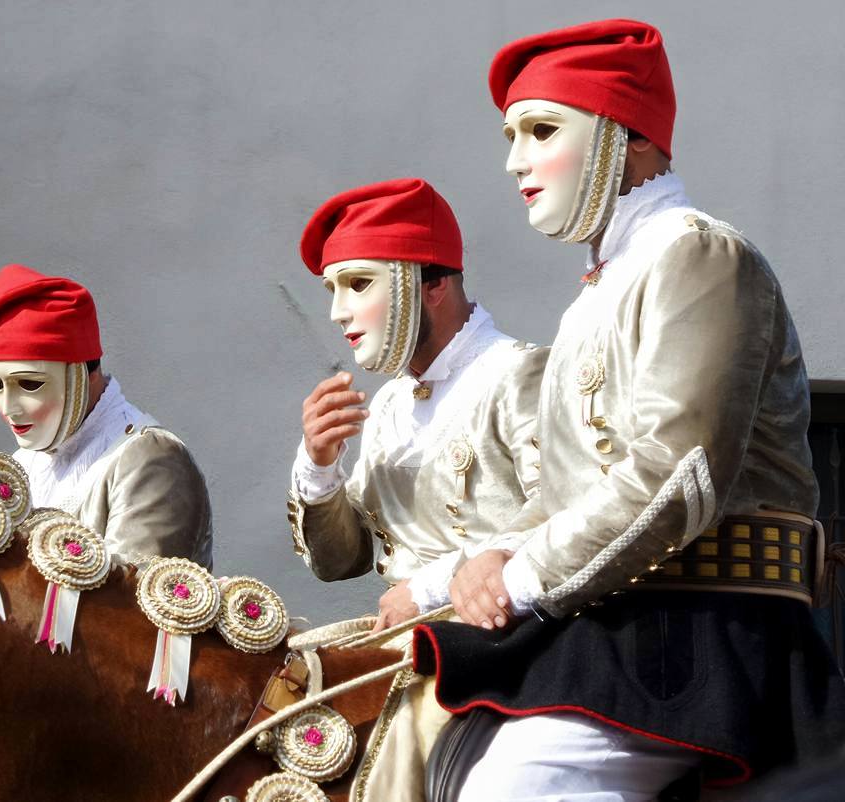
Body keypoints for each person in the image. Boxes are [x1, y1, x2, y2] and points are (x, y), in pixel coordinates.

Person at [410, 19, 845, 801]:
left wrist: (521, 576)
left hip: (704, 632)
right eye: (513, 136)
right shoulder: (599, 291)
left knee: (518, 790)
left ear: (630, 136)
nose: (516, 161)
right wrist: (459, 575)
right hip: (619, 623)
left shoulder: (699, 253)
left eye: (542, 130)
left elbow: (676, 476)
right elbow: (562, 498)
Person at [288, 177, 547, 800]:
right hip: (406, 642)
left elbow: (561, 516)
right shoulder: (390, 407)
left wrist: (428, 590)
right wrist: (318, 465)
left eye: (358, 284)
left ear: (433, 286)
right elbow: (338, 560)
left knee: (396, 741)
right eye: (332, 290)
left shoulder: (522, 374)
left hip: (505, 643)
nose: (337, 312)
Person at [0, 263, 212, 566]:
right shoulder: (25, 464)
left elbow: (127, 605)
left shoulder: (149, 460)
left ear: (84, 374)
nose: (8, 407)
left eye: (30, 383)